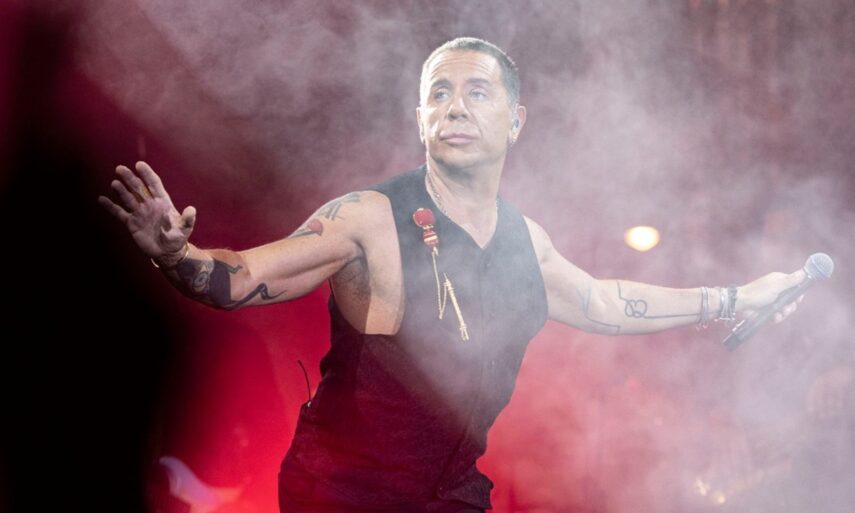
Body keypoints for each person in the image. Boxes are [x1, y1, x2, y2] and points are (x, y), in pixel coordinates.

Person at [98, 37, 806, 513]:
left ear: (515, 120)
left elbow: (606, 301)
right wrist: (176, 255)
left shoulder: (525, 242)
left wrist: (738, 297)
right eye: (438, 93)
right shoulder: (368, 217)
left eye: (476, 92)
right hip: (344, 496)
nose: (455, 106)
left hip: (452, 495)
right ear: (420, 118)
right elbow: (239, 278)